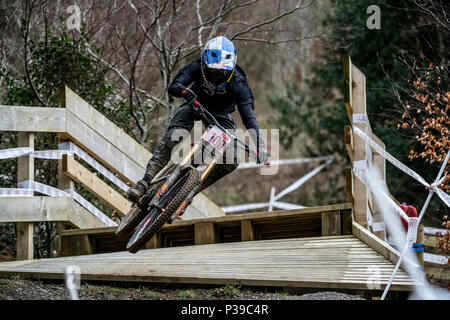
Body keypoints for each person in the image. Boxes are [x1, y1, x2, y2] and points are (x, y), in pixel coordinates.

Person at [127, 36, 268, 203]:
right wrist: (185, 92)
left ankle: (188, 192)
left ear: (231, 69)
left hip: (220, 115)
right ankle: (144, 183)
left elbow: (249, 118)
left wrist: (260, 146)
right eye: (212, 71)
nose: (216, 76)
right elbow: (175, 86)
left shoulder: (239, 82)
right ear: (204, 65)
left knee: (232, 159)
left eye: (222, 72)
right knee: (174, 137)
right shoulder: (197, 66)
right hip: (194, 102)